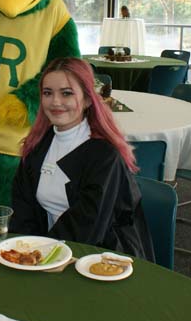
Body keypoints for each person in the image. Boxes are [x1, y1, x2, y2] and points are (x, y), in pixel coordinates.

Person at [10, 58, 154, 260]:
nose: (55, 102)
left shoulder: (104, 156)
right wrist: (23, 252)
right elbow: (22, 210)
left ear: (87, 100)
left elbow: (87, 227)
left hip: (100, 256)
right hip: (46, 249)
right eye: (47, 93)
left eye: (66, 93)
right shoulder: (37, 146)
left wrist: (39, 256)